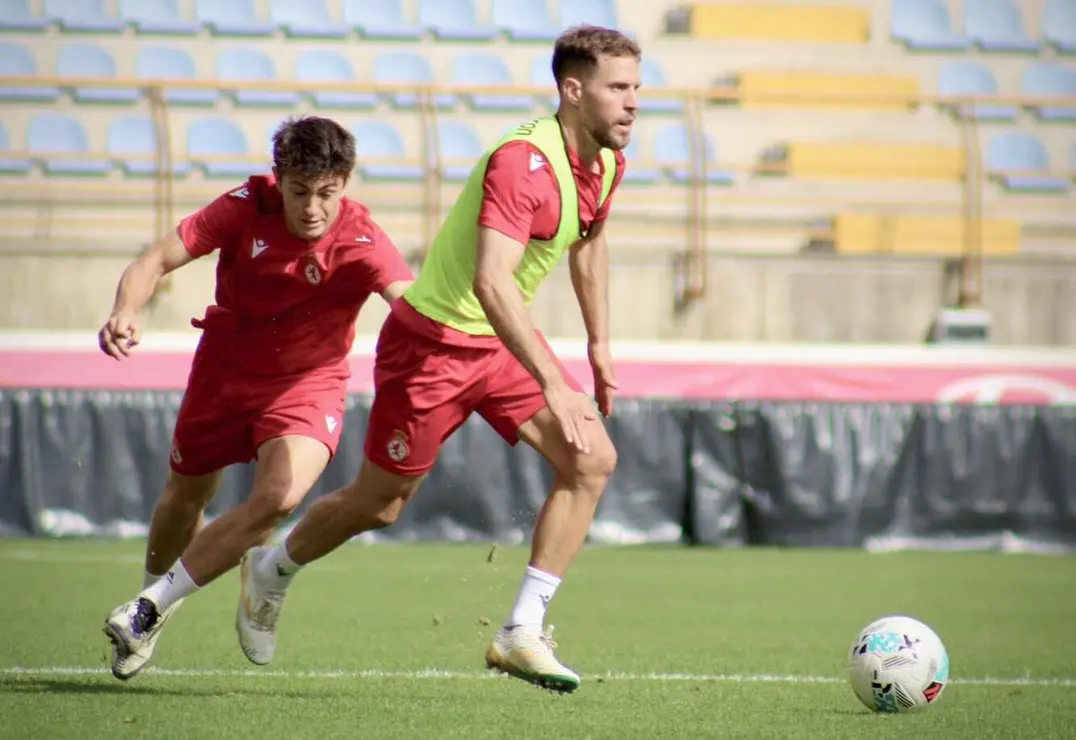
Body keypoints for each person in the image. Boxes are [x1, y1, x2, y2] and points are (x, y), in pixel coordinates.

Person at [235, 25, 640, 694]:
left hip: (499, 346)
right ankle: (272, 569)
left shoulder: (607, 162)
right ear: (573, 90)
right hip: (433, 347)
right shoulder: (521, 164)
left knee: (592, 459)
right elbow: (491, 281)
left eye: (636, 89)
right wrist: (553, 380)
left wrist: (598, 343)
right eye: (617, 88)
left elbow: (589, 241)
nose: (631, 103)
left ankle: (521, 631)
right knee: (381, 504)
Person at [99, 115, 414, 681]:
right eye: (300, 192)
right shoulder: (245, 205)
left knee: (280, 495)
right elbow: (155, 261)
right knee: (184, 499)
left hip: (308, 382)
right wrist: (126, 309)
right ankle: (150, 605)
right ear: (278, 180)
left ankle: (151, 609)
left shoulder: (365, 241)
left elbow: (411, 304)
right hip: (224, 372)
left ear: (346, 182)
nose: (314, 207)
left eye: (328, 192)